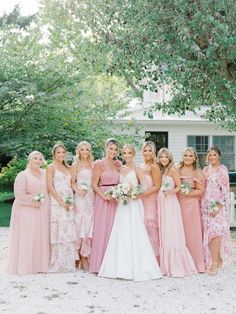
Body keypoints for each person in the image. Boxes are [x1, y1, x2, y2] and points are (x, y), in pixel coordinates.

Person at [98, 144, 162, 281]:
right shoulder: (120, 168)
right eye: (124, 153)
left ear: (133, 155)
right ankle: (120, 267)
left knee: (135, 231)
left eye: (129, 153)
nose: (127, 155)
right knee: (121, 231)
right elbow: (116, 183)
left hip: (133, 203)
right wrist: (119, 192)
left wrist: (135, 193)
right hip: (122, 204)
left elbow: (144, 185)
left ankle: (139, 267)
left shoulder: (137, 169)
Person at [7, 151, 50, 274]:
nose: (38, 161)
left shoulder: (45, 173)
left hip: (41, 210)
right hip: (25, 210)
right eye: (35, 158)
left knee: (39, 236)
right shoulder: (23, 175)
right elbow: (19, 194)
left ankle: (39, 266)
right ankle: (25, 266)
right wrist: (33, 202)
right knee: (27, 237)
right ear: (30, 160)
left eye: (40, 159)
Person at [157, 148, 197, 277]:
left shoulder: (173, 169)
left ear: (170, 158)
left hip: (171, 202)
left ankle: (175, 265)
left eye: (166, 157)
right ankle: (164, 264)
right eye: (161, 157)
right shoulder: (160, 169)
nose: (163, 159)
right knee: (163, 230)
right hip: (161, 202)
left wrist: (170, 192)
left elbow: (179, 186)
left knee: (171, 230)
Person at [89, 138, 121, 273]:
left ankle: (112, 263)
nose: (113, 151)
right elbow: (94, 184)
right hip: (103, 198)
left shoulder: (118, 164)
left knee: (114, 229)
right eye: (110, 148)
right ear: (105, 148)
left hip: (115, 198)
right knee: (102, 229)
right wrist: (103, 196)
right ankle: (99, 264)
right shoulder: (99, 164)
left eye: (115, 149)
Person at [47, 143, 78, 272]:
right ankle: (57, 263)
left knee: (68, 230)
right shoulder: (51, 167)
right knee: (58, 230)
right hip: (57, 202)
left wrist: (73, 199)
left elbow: (72, 185)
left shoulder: (69, 168)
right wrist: (61, 202)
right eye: (58, 152)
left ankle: (68, 262)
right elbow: (50, 186)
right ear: (54, 154)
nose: (61, 155)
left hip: (69, 201)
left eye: (63, 152)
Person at [201, 146, 231, 275]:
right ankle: (215, 258)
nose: (212, 157)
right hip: (205, 204)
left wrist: (218, 206)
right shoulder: (205, 169)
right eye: (210, 155)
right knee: (208, 233)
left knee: (215, 232)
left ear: (219, 156)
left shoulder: (222, 170)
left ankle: (213, 264)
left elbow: (225, 190)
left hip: (216, 204)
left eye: (214, 155)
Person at [177, 147, 205, 273]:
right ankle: (181, 263)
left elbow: (200, 190)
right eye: (186, 155)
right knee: (179, 231)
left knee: (192, 233)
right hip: (178, 204)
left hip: (191, 205)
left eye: (190, 156)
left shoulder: (197, 171)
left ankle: (196, 263)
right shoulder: (177, 169)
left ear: (194, 158)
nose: (188, 158)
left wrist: (188, 192)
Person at [71, 141, 94, 270]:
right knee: (79, 224)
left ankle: (86, 255)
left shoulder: (92, 164)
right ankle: (78, 256)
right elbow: (72, 183)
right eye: (82, 150)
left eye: (87, 150)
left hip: (90, 198)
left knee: (89, 224)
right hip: (80, 198)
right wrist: (78, 191)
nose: (84, 152)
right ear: (78, 151)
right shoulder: (75, 165)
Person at [140, 141, 161, 259]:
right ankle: (144, 257)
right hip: (140, 201)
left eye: (149, 150)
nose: (147, 153)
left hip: (150, 200)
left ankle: (155, 258)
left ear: (153, 152)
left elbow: (156, 186)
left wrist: (142, 194)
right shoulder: (140, 166)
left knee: (150, 224)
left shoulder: (154, 166)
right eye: (145, 150)